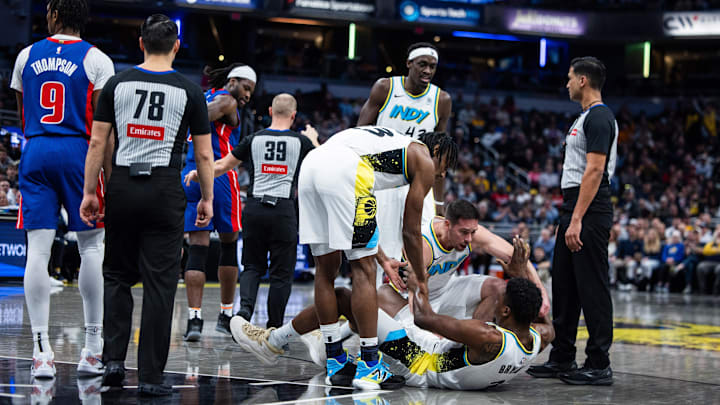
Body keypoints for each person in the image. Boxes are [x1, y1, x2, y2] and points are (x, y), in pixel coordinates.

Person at [232, 127, 457, 390]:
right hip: (348, 172)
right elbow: (411, 230)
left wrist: (384, 259)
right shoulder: (423, 159)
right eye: (446, 165)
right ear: (437, 151)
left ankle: (336, 361)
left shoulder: (388, 140)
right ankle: (370, 366)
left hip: (312, 168)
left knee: (325, 271)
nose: (442, 173)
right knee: (363, 272)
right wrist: (420, 277)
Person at [79, 14, 214, 396]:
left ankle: (113, 363)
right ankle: (152, 378)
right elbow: (204, 156)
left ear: (140, 44)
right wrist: (205, 198)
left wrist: (91, 192)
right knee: (158, 284)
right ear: (176, 46)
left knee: (117, 276)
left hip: (122, 185)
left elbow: (97, 143)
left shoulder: (117, 84)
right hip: (164, 191)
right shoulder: (189, 92)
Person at [231, 237, 555, 391]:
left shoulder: (488, 336)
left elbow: (425, 318)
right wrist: (518, 274)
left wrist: (417, 284)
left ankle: (273, 342)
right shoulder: (537, 340)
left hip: (419, 363)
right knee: (379, 298)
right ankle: (336, 339)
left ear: (507, 311)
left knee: (345, 296)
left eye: (501, 302)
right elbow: (547, 322)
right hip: (430, 353)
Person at [10, 0, 114, 378]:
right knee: (91, 247)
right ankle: (90, 348)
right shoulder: (98, 59)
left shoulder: (26, 55)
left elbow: (22, 111)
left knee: (37, 249)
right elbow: (104, 124)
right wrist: (109, 173)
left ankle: (41, 352)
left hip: (37, 148)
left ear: (52, 15)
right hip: (80, 151)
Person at [184, 93, 317, 329]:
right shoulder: (300, 142)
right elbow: (326, 160)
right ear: (294, 116)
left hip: (255, 209)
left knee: (252, 267)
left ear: (269, 112)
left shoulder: (254, 139)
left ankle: (244, 313)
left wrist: (199, 173)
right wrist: (313, 138)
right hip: (283, 211)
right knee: (280, 274)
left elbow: (222, 165)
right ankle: (274, 327)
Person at [528, 56, 617, 386]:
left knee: (592, 287)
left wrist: (577, 218)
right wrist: (568, 217)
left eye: (569, 78)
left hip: (590, 210)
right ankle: (562, 357)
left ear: (583, 80)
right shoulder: (584, 118)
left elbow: (594, 171)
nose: (565, 83)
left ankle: (599, 363)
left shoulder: (600, 117)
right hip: (573, 209)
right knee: (564, 286)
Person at [357, 43, 453, 284]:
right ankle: (376, 303)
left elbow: (441, 156)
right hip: (383, 181)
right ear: (409, 63)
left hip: (419, 183)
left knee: (419, 246)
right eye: (422, 64)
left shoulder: (441, 99)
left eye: (432, 66)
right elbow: (358, 135)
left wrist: (439, 201)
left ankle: (415, 305)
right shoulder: (385, 88)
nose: (428, 71)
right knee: (382, 246)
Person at [377, 199, 549, 323]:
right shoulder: (424, 245)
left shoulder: (473, 234)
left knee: (499, 288)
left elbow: (518, 257)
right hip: (413, 297)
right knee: (422, 338)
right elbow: (417, 298)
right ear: (447, 225)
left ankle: (476, 339)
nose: (469, 239)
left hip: (446, 289)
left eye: (472, 232)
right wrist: (433, 333)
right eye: (464, 232)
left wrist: (541, 293)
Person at [181, 62, 256, 340]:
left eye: (251, 91)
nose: (247, 95)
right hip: (220, 175)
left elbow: (192, 115)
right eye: (246, 87)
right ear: (233, 80)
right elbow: (200, 118)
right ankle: (225, 315)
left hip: (190, 172)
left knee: (197, 247)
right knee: (228, 244)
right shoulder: (225, 100)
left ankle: (194, 319)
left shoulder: (202, 95)